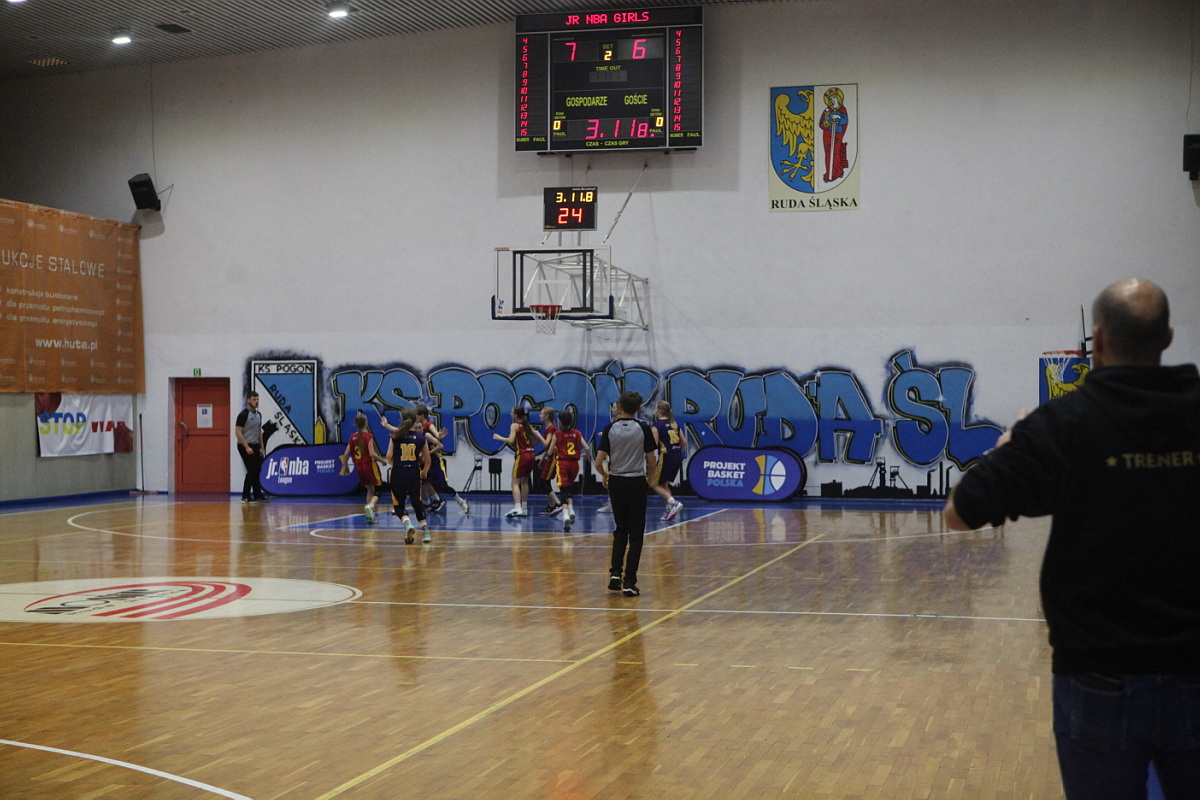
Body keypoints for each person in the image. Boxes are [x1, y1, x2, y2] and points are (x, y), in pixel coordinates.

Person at [943, 278, 1200, 800]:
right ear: (1168, 337)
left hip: (1098, 677)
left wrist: (1011, 446)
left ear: (1098, 339)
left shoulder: (1061, 424)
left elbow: (959, 513)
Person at [595, 391, 658, 597]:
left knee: (620, 529)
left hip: (616, 481)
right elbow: (651, 461)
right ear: (638, 408)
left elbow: (598, 462)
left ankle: (615, 573)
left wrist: (605, 476)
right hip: (636, 481)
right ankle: (629, 581)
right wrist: (650, 480)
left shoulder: (609, 429)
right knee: (636, 534)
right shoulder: (644, 428)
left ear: (620, 407)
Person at [386, 408, 432, 544]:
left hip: (398, 472)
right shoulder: (421, 438)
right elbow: (428, 460)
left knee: (398, 505)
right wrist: (424, 471)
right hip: (413, 473)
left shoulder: (395, 436)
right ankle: (425, 533)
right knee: (417, 503)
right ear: (415, 420)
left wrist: (396, 463)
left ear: (402, 419)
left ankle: (408, 523)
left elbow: (388, 456)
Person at [493, 406, 546, 518]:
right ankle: (524, 508)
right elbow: (537, 437)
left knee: (515, 482)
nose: (511, 413)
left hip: (522, 456)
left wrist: (499, 438)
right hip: (531, 454)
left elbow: (511, 440)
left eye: (512, 412)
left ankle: (517, 507)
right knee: (524, 481)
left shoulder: (515, 425)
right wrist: (533, 444)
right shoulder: (527, 425)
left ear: (516, 415)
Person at [545, 408, 591, 533]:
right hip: (574, 464)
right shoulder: (577, 433)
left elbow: (549, 451)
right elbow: (587, 448)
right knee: (569, 487)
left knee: (563, 489)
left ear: (560, 421)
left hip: (563, 463)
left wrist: (553, 451)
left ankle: (565, 514)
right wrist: (587, 456)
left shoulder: (557, 434)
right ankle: (571, 510)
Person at [339, 410, 388, 524]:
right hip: (369, 465)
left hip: (359, 467)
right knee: (379, 490)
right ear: (366, 423)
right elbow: (372, 454)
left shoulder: (352, 437)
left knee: (369, 489)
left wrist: (345, 465)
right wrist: (382, 461)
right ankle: (370, 506)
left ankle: (370, 514)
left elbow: (345, 454)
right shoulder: (368, 436)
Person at [651, 400, 687, 521]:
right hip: (677, 455)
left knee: (654, 484)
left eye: (656, 408)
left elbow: (654, 444)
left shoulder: (657, 426)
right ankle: (670, 511)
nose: (654, 411)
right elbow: (684, 442)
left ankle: (674, 503)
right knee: (664, 484)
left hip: (665, 456)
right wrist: (677, 453)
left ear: (660, 410)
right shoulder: (674, 424)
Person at [235, 391, 268, 503]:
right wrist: (246, 447)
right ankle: (245, 496)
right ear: (248, 400)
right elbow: (238, 432)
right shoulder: (243, 415)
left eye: (257, 399)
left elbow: (259, 431)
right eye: (254, 399)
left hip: (255, 445)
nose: (256, 401)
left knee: (257, 470)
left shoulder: (258, 415)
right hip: (244, 445)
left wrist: (261, 446)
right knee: (251, 470)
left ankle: (257, 495)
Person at [536, 406, 563, 515]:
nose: (540, 415)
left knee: (543, 482)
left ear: (547, 416)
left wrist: (538, 435)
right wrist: (543, 458)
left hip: (553, 458)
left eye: (542, 413)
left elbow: (546, 443)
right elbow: (548, 447)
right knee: (545, 482)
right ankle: (551, 506)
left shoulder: (551, 428)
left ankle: (558, 503)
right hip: (549, 457)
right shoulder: (548, 428)